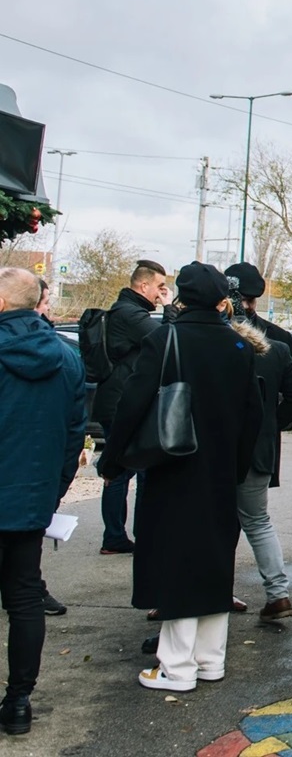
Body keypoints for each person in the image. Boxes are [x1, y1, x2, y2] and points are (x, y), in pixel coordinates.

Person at [97, 262, 262, 692]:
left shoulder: (164, 338)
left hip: (172, 467)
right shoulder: (239, 347)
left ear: (182, 298)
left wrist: (113, 460)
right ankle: (211, 661)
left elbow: (132, 404)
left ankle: (176, 668)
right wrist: (236, 468)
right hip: (221, 473)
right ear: (222, 300)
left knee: (176, 562)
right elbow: (253, 418)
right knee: (213, 561)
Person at [0, 267, 87, 734]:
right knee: (25, 597)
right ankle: (18, 702)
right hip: (31, 499)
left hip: (26, 495)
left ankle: (17, 702)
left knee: (24, 597)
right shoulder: (67, 357)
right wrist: (52, 491)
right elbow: (74, 437)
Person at [229, 287, 292, 622]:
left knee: (215, 523)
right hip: (259, 450)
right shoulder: (275, 349)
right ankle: (278, 594)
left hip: (219, 451)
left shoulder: (220, 348)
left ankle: (211, 591)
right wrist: (273, 425)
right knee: (258, 522)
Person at [93, 258, 170, 555]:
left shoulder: (125, 310)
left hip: (120, 400)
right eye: (160, 287)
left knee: (128, 468)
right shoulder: (130, 314)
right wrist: (169, 308)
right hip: (122, 403)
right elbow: (163, 339)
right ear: (144, 285)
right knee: (122, 471)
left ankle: (126, 534)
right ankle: (116, 537)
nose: (161, 293)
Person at [31, 279, 71, 620]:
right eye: (45, 302)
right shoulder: (62, 355)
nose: (49, 309)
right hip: (36, 474)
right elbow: (74, 424)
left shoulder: (61, 354)